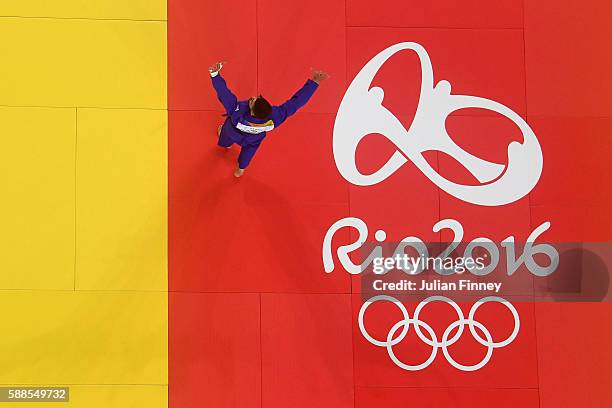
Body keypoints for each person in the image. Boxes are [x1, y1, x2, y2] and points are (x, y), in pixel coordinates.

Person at [208, 61, 329, 177]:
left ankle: (227, 145)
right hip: (253, 140)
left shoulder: (237, 111)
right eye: (256, 98)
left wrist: (215, 75)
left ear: (252, 112)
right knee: (248, 154)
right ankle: (240, 170)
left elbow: (224, 93)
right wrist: (314, 83)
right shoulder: (275, 117)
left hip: (233, 132)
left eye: (252, 101)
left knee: (225, 134)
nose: (252, 97)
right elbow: (296, 103)